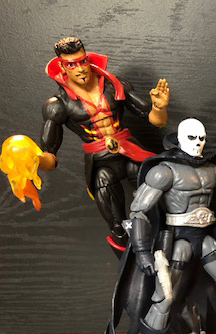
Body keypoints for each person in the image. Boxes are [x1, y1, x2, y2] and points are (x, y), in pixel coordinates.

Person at [105, 118, 216, 334]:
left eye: (202, 138)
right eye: (192, 138)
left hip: (205, 238)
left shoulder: (214, 171)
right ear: (179, 140)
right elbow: (139, 211)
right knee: (164, 299)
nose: (198, 143)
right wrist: (143, 251)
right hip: (177, 240)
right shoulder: (164, 171)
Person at [39, 37, 170, 253]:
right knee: (107, 193)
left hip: (130, 150)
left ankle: (166, 237)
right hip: (100, 160)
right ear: (61, 66)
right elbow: (49, 157)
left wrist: (159, 107)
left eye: (82, 61)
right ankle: (125, 250)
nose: (80, 69)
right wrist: (34, 160)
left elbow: (157, 121)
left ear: (88, 59)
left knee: (153, 190)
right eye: (71, 64)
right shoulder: (58, 104)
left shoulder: (114, 85)